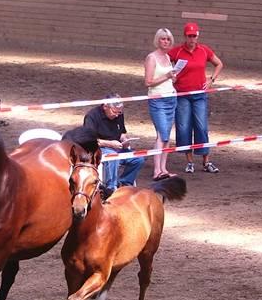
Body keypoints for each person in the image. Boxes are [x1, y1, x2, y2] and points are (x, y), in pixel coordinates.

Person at [169, 22, 224, 174]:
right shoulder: (177, 52)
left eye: (194, 36)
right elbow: (164, 63)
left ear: (197, 36)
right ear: (185, 36)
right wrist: (170, 77)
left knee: (201, 126)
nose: (192, 39)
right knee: (184, 126)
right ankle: (189, 161)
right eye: (189, 36)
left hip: (200, 94)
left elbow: (218, 64)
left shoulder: (204, 50)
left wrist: (211, 79)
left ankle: (206, 160)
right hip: (182, 94)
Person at [82, 94, 145, 198]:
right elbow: (90, 140)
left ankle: (124, 183)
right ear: (105, 106)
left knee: (138, 159)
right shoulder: (92, 116)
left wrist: (125, 140)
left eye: (119, 112)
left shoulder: (119, 115)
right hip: (100, 148)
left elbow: (122, 132)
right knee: (113, 157)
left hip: (117, 147)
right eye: (114, 112)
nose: (117, 115)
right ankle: (110, 188)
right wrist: (109, 143)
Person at [144, 28, 178, 181]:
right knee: (161, 134)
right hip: (157, 99)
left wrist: (172, 78)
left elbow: (168, 78)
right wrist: (166, 76)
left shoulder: (167, 57)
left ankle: (163, 168)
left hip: (171, 97)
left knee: (167, 136)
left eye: (168, 39)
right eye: (163, 39)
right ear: (158, 40)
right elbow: (148, 82)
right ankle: (157, 170)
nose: (166, 41)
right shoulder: (152, 58)